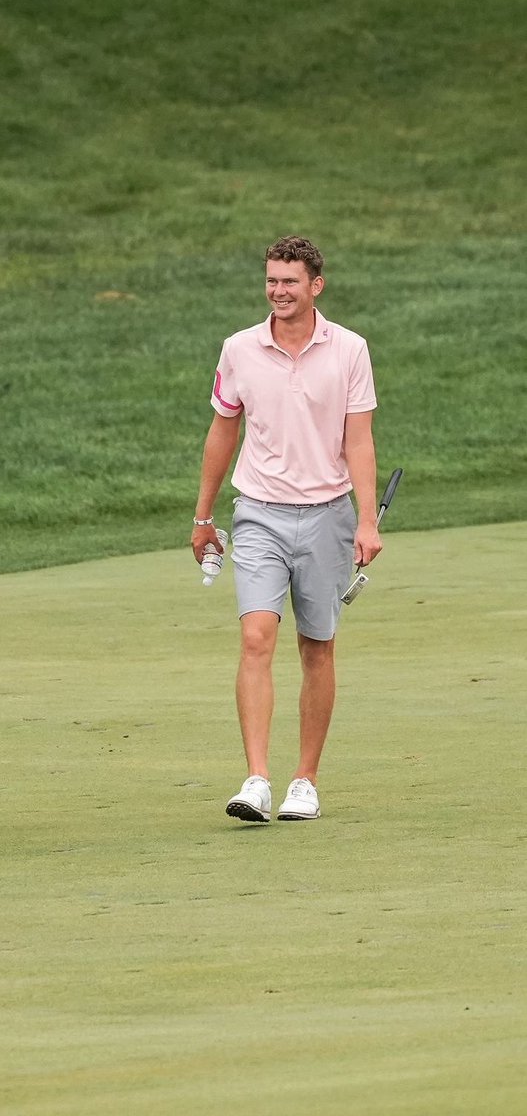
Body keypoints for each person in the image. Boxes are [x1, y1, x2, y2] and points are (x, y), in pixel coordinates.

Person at [192, 236, 382, 823]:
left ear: (315, 286)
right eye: (272, 281)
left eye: (290, 282)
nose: (278, 291)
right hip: (258, 513)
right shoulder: (239, 349)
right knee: (256, 637)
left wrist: (367, 520)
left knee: (317, 646)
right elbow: (223, 431)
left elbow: (359, 439)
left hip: (329, 514)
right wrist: (203, 516)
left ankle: (306, 779)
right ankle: (256, 779)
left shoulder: (350, 349)